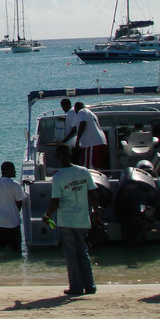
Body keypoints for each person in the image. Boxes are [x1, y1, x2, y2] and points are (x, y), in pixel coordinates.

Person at [44, 143, 98, 296]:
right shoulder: (84, 171)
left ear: (58, 157)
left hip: (66, 220)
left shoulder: (58, 177)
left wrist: (47, 215)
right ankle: (90, 285)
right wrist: (97, 214)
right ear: (71, 155)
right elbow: (93, 194)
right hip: (82, 219)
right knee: (83, 252)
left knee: (71, 255)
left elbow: (55, 201)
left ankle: (76, 286)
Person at [0, 161, 25, 251]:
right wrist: (14, 212)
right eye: (13, 169)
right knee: (15, 250)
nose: (15, 171)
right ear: (8, 171)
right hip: (12, 223)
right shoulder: (16, 185)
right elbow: (19, 202)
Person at [72, 102, 107, 169]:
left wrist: (77, 140)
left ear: (76, 108)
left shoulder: (82, 111)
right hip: (101, 142)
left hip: (92, 143)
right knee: (97, 166)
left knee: (88, 167)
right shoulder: (92, 114)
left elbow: (83, 124)